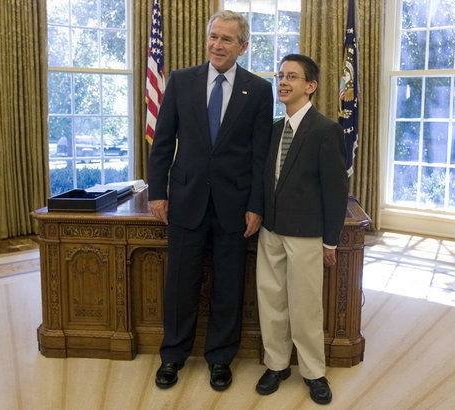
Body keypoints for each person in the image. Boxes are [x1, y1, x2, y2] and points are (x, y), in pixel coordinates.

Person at [147, 10, 273, 391]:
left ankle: (221, 358)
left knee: (228, 286)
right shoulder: (182, 81)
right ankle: (173, 356)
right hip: (185, 199)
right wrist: (157, 192)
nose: (218, 45)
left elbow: (259, 155)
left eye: (227, 39)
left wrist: (256, 204)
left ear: (243, 46)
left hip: (234, 205)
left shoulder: (258, 89)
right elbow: (163, 141)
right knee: (180, 284)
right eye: (214, 36)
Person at [255, 54, 348, 405]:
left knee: (306, 307)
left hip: (307, 235)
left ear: (310, 86)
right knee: (272, 301)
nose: (282, 81)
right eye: (280, 75)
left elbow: (335, 191)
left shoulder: (326, 130)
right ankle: (276, 365)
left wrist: (331, 241)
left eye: (291, 76)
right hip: (272, 231)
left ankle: (313, 372)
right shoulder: (275, 129)